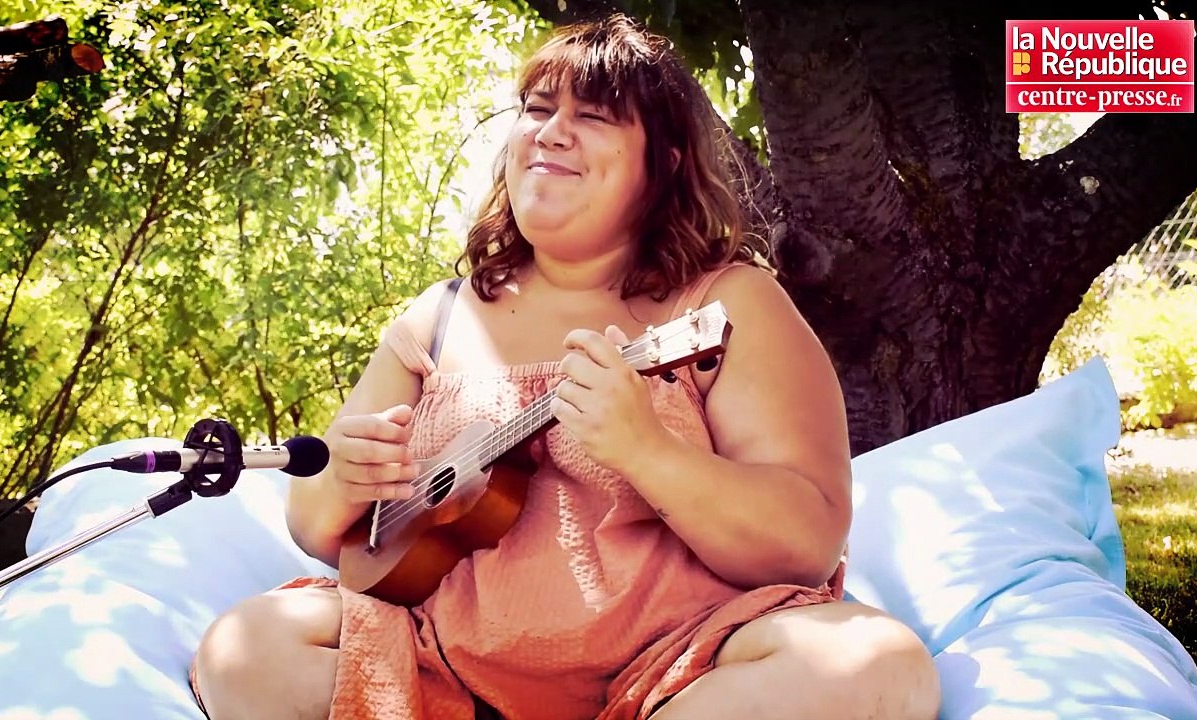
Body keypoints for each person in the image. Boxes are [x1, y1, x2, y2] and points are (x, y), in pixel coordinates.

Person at [191, 14, 940, 720]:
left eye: (594, 116)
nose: (552, 133)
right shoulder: (438, 318)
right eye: (537, 109)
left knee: (876, 663)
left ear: (664, 162)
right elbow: (323, 527)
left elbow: (805, 543)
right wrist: (346, 481)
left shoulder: (727, 302)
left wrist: (647, 451)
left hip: (682, 671)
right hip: (439, 676)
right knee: (246, 648)